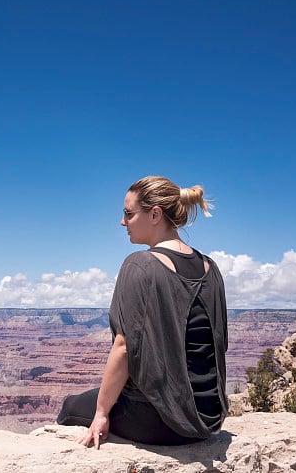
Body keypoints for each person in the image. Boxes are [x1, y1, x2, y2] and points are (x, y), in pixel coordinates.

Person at [57, 175, 228, 448]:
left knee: (70, 407)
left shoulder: (141, 265)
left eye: (128, 213)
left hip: (162, 423)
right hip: (210, 417)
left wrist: (101, 414)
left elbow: (123, 347)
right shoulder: (211, 268)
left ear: (155, 214)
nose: (122, 222)